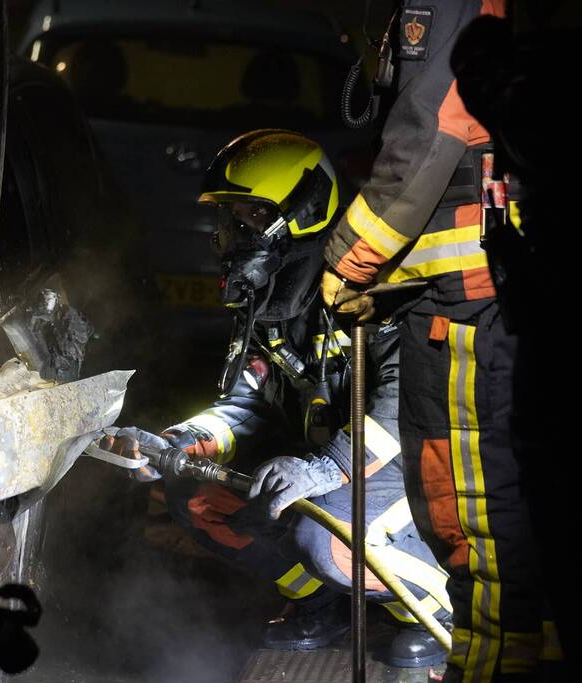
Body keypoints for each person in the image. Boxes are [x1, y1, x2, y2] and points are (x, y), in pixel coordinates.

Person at [104, 129, 450, 667]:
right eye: (226, 219)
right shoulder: (274, 303)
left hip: (414, 468)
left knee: (321, 534)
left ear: (304, 211)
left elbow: (405, 402)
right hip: (332, 466)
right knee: (193, 495)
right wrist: (184, 443)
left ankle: (439, 607)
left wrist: (327, 467)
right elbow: (248, 404)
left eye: (245, 218)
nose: (226, 236)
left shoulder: (373, 286)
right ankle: (321, 604)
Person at [320, 1, 550, 680]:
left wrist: (346, 262)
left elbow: (429, 132)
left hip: (467, 298)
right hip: (495, 286)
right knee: (513, 496)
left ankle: (491, 667)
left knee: (474, 503)